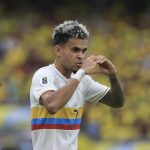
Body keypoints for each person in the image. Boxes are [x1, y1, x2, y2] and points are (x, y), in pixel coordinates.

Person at [30, 20, 125, 150]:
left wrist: (113, 76)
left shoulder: (83, 81)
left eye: (83, 51)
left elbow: (117, 102)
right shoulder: (44, 74)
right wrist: (81, 73)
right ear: (58, 50)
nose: (81, 56)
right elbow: (52, 105)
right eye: (75, 50)